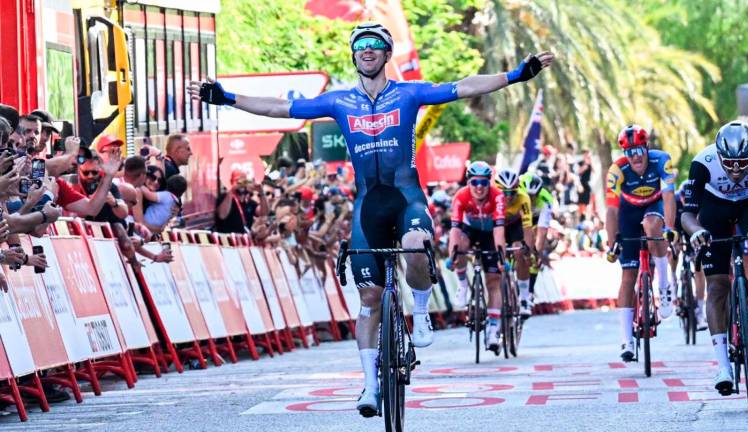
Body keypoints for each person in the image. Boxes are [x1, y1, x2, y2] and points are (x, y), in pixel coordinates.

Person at [188, 21, 553, 417]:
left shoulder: (409, 93)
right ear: (353, 53)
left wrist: (518, 74)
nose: (366, 50)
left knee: (416, 246)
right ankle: (370, 385)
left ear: (386, 52)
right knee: (368, 300)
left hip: (406, 198)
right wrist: (224, 97)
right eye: (359, 44)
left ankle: (420, 309)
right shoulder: (339, 101)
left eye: (374, 44)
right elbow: (279, 108)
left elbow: (464, 85)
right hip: (367, 207)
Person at [681, 122, 748, 394]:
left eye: (742, 162)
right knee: (717, 286)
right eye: (728, 163)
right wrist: (696, 232)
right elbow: (687, 215)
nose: (735, 170)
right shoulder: (702, 163)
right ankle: (723, 367)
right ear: (718, 155)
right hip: (714, 208)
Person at [604, 125, 677, 363]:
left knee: (653, 226)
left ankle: (665, 285)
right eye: (630, 151)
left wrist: (670, 230)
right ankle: (626, 339)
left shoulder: (662, 160)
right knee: (627, 276)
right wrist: (612, 240)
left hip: (654, 206)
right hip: (628, 212)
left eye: (639, 149)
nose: (635, 156)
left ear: (647, 147)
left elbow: (668, 197)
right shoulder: (617, 169)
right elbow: (612, 210)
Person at [446, 161, 507, 353]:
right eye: (474, 182)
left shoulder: (498, 196)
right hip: (470, 231)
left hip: (490, 234)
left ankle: (494, 328)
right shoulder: (460, 196)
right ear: (468, 182)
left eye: (483, 182)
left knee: (493, 282)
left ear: (489, 182)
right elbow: (454, 231)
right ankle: (463, 285)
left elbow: (499, 231)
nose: (479, 187)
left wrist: (501, 257)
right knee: (461, 246)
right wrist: (452, 256)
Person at [494, 169, 535, 316]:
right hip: (496, 226)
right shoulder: (491, 197)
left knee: (519, 251)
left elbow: (528, 227)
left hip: (514, 226)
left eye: (512, 192)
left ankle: (524, 297)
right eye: (504, 192)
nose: (509, 196)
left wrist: (528, 251)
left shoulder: (523, 198)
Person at [670, 180, 706, 331]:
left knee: (700, 268)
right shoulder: (675, 201)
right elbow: (671, 223)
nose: (685, 201)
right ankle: (672, 281)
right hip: (678, 226)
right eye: (684, 199)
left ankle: (699, 308)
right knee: (674, 250)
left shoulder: (700, 200)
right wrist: (674, 242)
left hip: (693, 228)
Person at [519, 172, 556, 289]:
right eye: (528, 195)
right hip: (517, 219)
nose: (530, 199)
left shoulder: (546, 199)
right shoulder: (513, 194)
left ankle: (529, 292)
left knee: (534, 252)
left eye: (533, 196)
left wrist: (537, 253)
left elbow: (542, 232)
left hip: (535, 220)